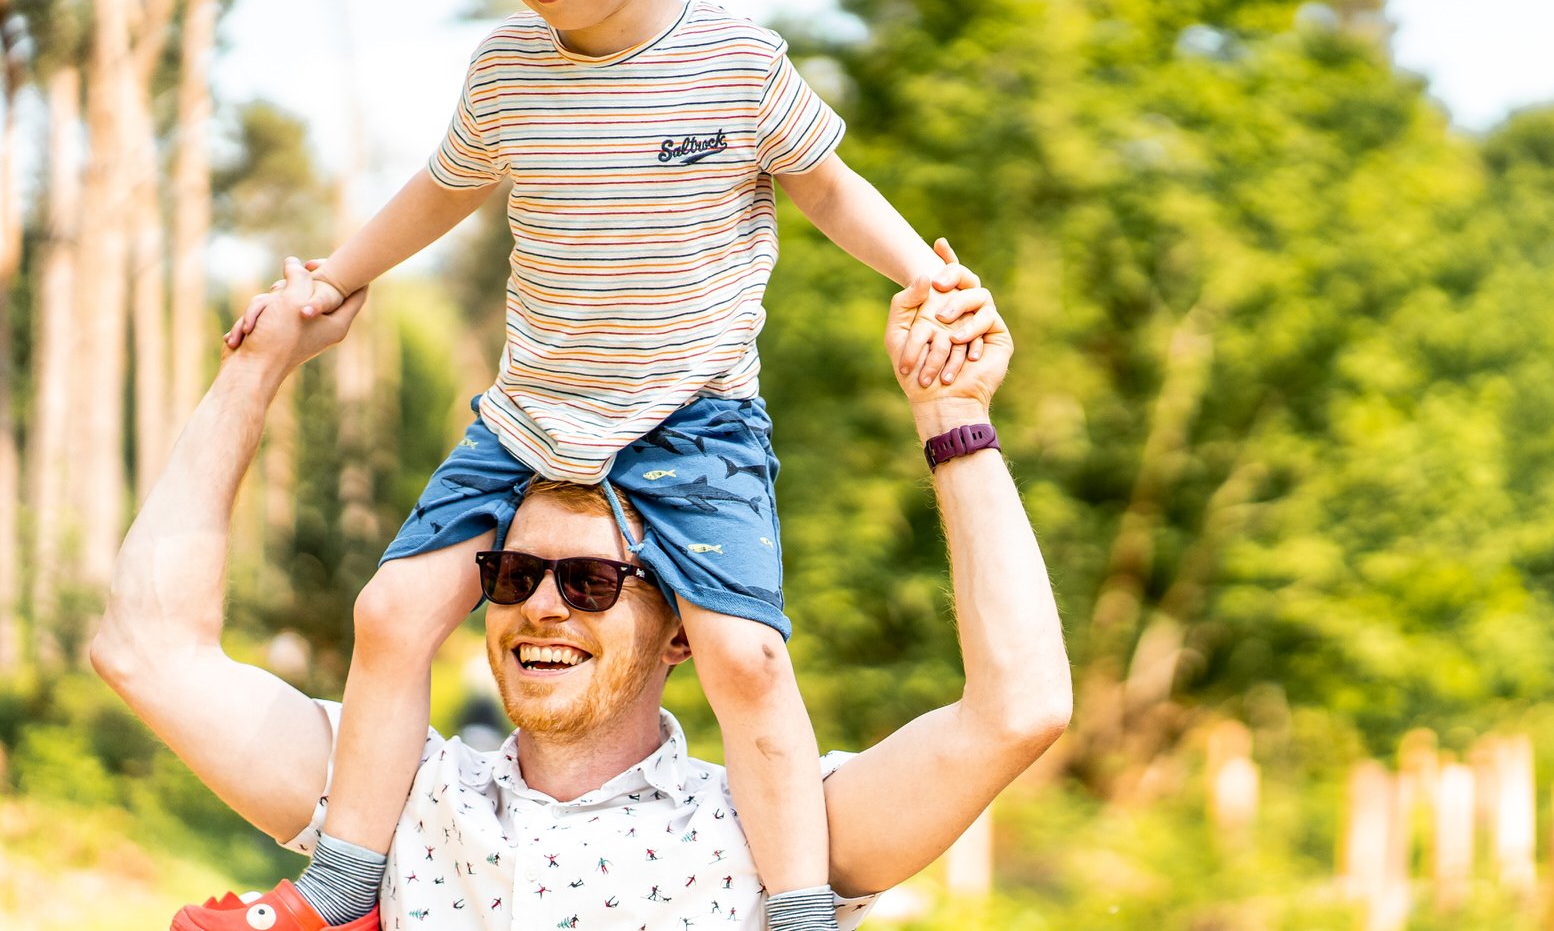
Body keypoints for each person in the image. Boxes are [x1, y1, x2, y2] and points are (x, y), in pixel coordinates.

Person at [205, 0, 1001, 931]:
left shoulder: (736, 64)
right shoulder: (504, 77)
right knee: (389, 613)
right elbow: (437, 191)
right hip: (530, 416)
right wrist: (334, 277)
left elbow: (828, 188)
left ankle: (796, 908)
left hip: (693, 424)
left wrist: (931, 277)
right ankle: (348, 877)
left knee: (746, 660)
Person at [93, 258, 1067, 930]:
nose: (541, 606)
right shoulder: (391, 799)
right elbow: (146, 650)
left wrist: (953, 417)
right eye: (513, 575)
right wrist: (255, 367)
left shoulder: (780, 834)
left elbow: (1019, 708)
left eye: (592, 580)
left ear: (683, 631)